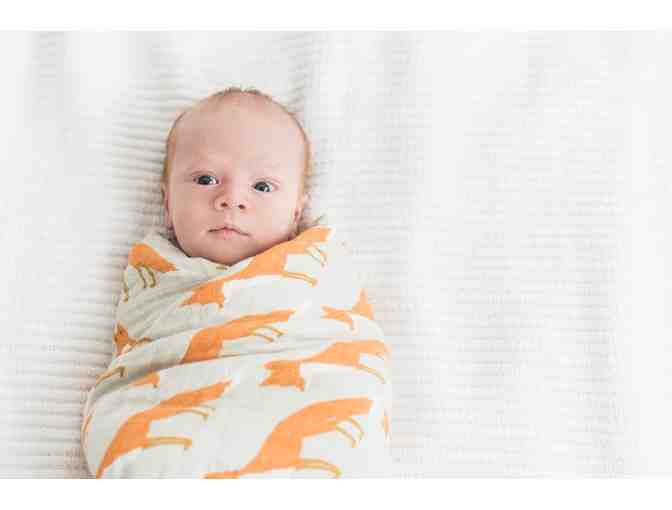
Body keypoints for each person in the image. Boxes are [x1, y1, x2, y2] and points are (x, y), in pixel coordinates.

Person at [160, 86, 314, 267]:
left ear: (296, 214)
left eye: (262, 187)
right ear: (168, 204)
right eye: (205, 180)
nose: (232, 199)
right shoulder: (148, 267)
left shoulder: (315, 266)